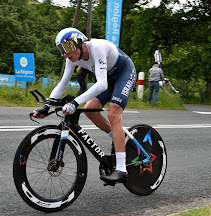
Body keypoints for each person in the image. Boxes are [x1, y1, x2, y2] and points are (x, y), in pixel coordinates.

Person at [33, 28, 136, 183]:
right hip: (109, 78)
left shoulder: (97, 47)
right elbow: (62, 84)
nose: (65, 53)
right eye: (61, 50)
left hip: (124, 73)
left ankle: (121, 169)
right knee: (89, 110)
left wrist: (74, 102)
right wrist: (47, 106)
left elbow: (101, 84)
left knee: (113, 114)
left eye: (67, 47)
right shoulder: (71, 59)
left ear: (80, 43)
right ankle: (118, 139)